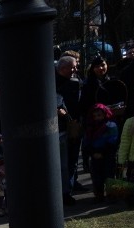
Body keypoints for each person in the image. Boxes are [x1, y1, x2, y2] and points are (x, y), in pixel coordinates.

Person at [56, 55, 82, 203]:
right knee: (62, 163)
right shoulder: (52, 82)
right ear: (63, 68)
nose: (75, 70)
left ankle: (67, 191)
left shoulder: (75, 82)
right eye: (73, 67)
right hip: (58, 128)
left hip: (69, 126)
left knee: (68, 162)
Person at [81, 103, 119, 203]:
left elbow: (113, 141)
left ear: (104, 114)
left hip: (108, 155)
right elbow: (86, 143)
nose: (97, 118)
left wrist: (102, 152)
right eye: (95, 116)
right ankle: (99, 195)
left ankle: (111, 195)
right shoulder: (90, 128)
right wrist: (93, 153)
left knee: (109, 175)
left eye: (99, 115)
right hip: (94, 156)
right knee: (96, 177)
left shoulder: (111, 125)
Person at [117, 86, 134, 207]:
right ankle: (129, 200)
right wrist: (121, 160)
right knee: (133, 183)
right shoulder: (131, 122)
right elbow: (125, 142)